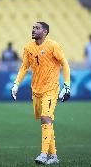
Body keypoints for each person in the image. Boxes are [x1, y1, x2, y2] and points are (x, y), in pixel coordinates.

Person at [11, 22, 71, 164]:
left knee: (45, 118)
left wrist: (67, 86)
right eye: (33, 27)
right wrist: (16, 84)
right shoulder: (28, 48)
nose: (33, 30)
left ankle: (43, 155)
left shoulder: (53, 45)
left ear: (45, 32)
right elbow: (24, 67)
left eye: (37, 28)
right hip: (36, 90)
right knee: (46, 121)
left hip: (51, 89)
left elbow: (65, 63)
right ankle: (54, 157)